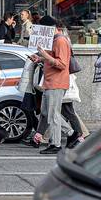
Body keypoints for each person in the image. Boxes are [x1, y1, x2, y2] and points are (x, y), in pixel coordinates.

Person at [36, 17, 73, 154]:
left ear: (50, 28)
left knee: (53, 115)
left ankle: (56, 144)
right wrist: (40, 58)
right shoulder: (55, 40)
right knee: (47, 113)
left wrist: (44, 54)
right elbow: (53, 59)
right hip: (50, 82)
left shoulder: (60, 41)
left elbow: (62, 64)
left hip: (57, 82)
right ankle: (72, 133)